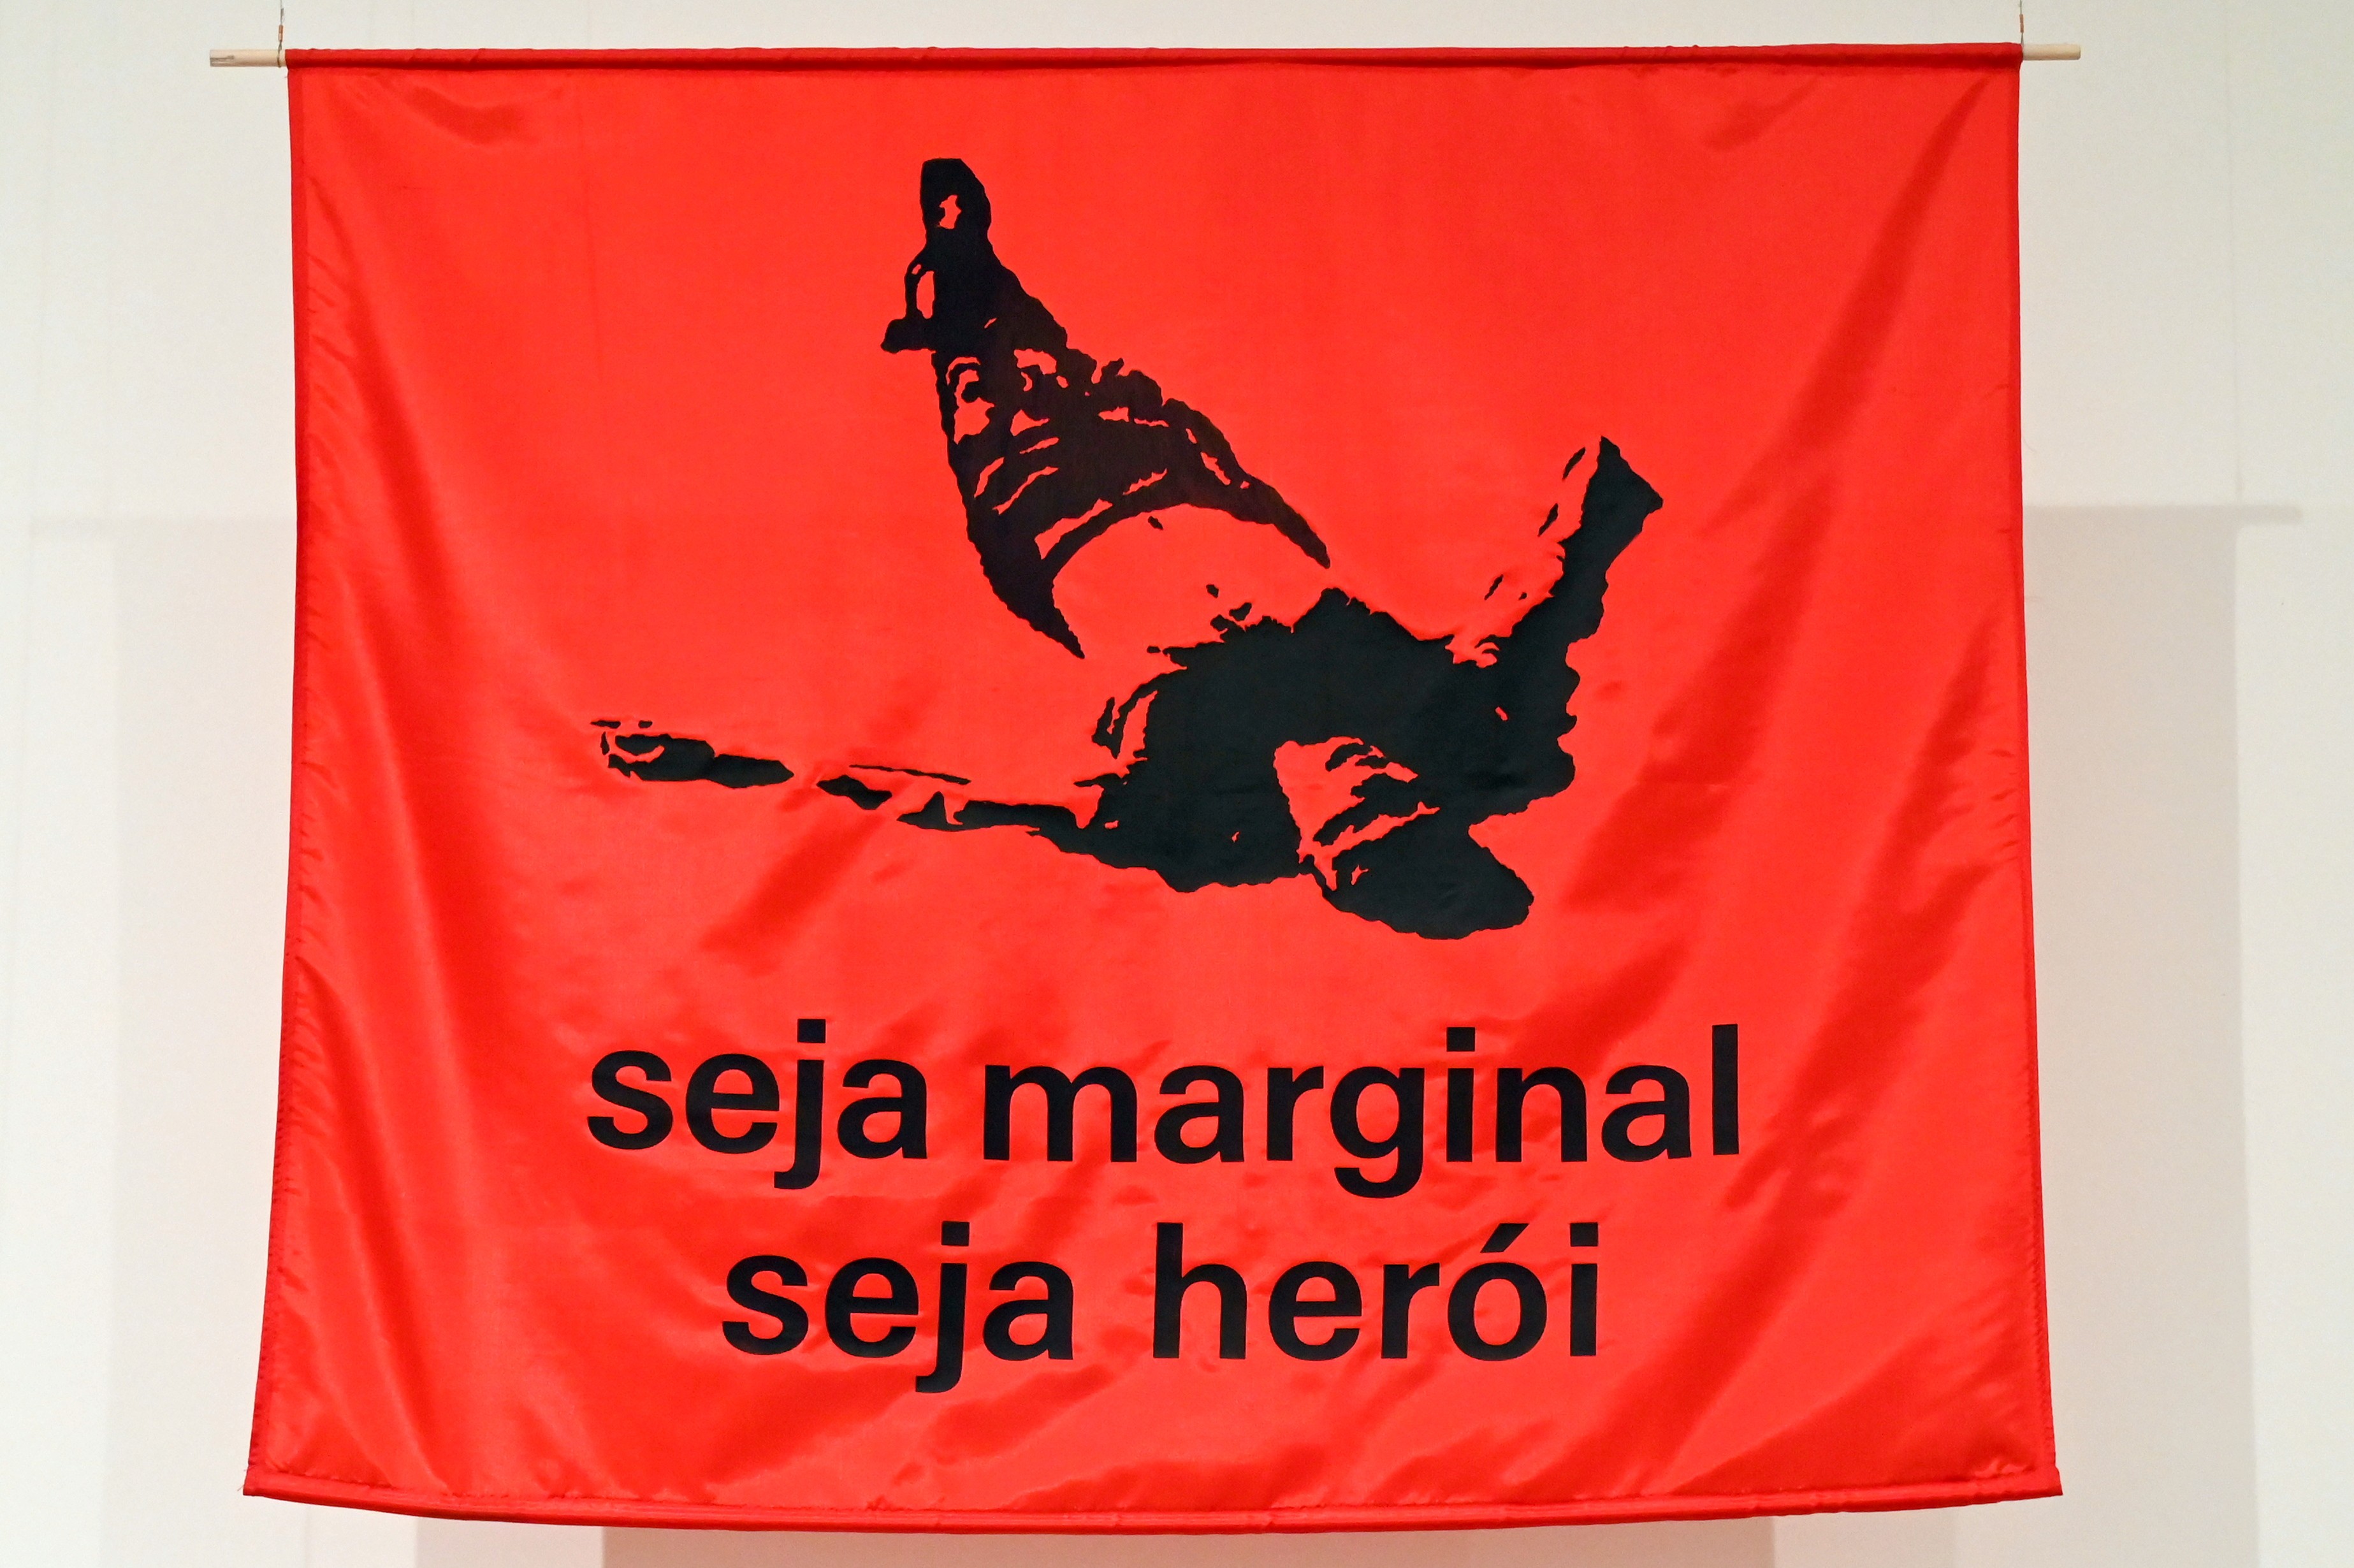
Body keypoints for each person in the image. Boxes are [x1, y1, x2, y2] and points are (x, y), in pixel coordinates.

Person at [604, 160, 1662, 940]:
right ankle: (970, 283)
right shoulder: (1448, 720)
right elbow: (1549, 589)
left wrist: (724, 764)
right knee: (1064, 368)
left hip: (1049, 530)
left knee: (984, 385)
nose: (1370, 777)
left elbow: (942, 801)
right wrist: (1618, 473)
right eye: (1404, 797)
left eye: (1357, 819)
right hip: (1197, 485)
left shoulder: (1179, 822)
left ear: (1315, 858)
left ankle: (953, 280)